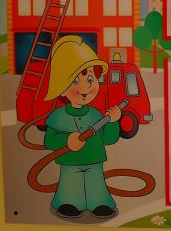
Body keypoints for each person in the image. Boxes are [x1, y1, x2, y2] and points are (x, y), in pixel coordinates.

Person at [43, 35, 122, 219]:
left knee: (96, 181)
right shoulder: (58, 116)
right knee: (70, 182)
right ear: (62, 88)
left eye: (90, 79)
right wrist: (67, 140)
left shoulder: (95, 114)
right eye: (75, 81)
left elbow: (108, 139)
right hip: (70, 162)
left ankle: (99, 202)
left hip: (95, 161)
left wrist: (113, 121)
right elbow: (49, 141)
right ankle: (69, 202)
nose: (86, 87)